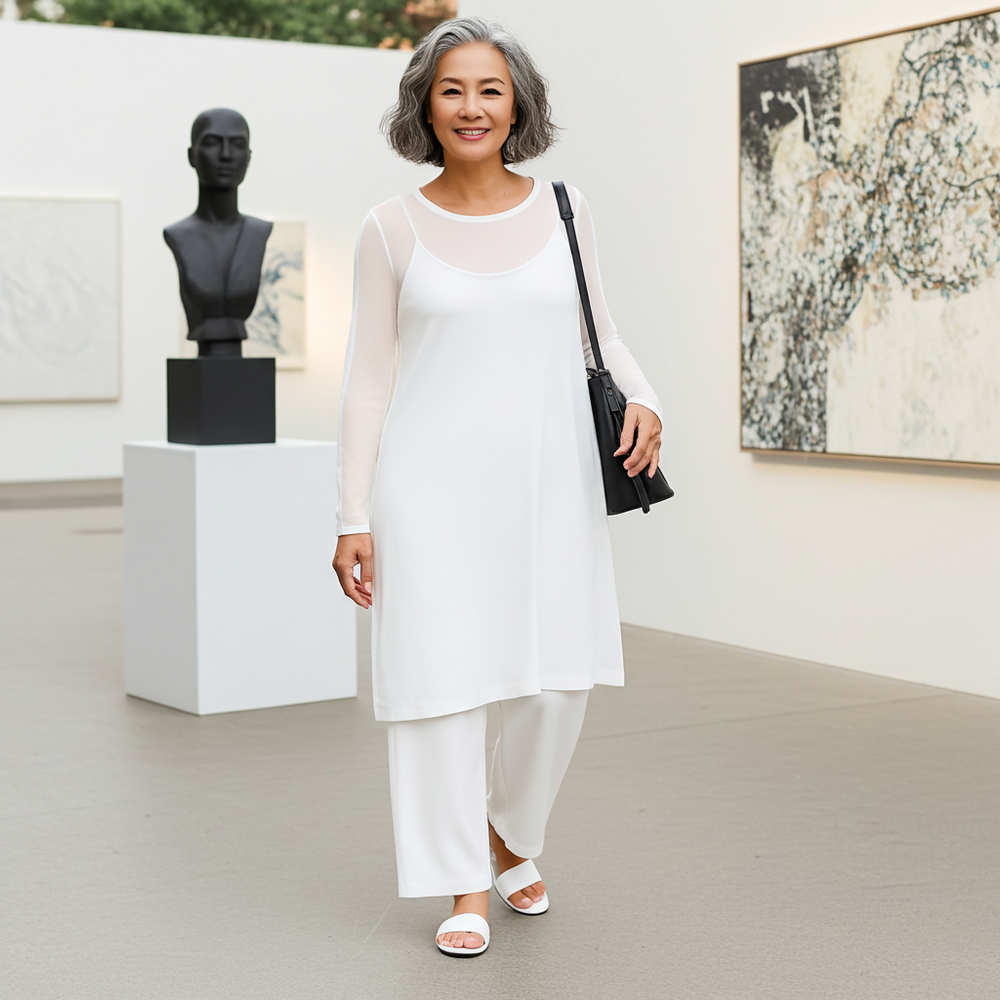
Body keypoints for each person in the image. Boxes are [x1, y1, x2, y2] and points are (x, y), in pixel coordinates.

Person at [332, 15, 662, 957]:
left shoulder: (565, 207)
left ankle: (511, 833)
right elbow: (367, 378)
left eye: (488, 89)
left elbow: (604, 331)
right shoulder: (390, 227)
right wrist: (351, 515)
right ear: (424, 106)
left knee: (558, 685)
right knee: (441, 687)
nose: (471, 107)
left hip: (549, 481)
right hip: (427, 491)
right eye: (451, 90)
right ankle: (463, 883)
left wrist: (647, 400)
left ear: (516, 100)